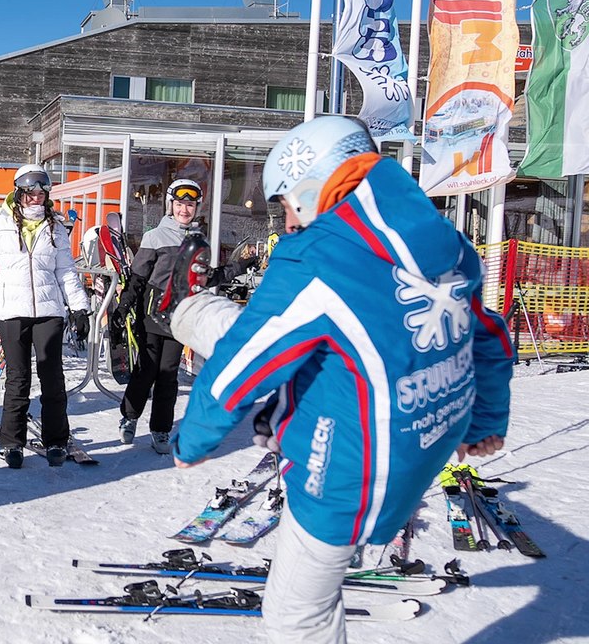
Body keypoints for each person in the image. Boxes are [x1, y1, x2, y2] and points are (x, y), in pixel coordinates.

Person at [170, 116, 513, 643]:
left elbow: (245, 360)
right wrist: (483, 421)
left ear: (313, 184)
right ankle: (197, 314)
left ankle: (192, 313)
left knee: (295, 615)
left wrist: (193, 439)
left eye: (285, 204)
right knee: (246, 328)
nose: (286, 223)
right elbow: (486, 333)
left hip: (351, 468)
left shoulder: (318, 254)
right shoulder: (440, 238)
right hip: (427, 431)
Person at [0, 164, 91, 468]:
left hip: (49, 312)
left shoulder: (56, 227)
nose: (36, 198)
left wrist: (79, 307)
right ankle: (11, 442)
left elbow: (66, 271)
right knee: (17, 379)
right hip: (12, 312)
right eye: (30, 192)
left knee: (53, 379)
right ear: (18, 192)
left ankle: (56, 440)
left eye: (42, 193)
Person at [112, 179, 256, 454]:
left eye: (190, 205)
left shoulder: (198, 242)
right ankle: (129, 417)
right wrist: (124, 305)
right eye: (180, 204)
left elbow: (206, 277)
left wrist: (239, 266)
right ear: (171, 206)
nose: (184, 210)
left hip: (180, 318)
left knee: (168, 375)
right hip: (152, 315)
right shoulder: (155, 237)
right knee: (146, 370)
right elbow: (138, 277)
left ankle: (161, 430)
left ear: (196, 208)